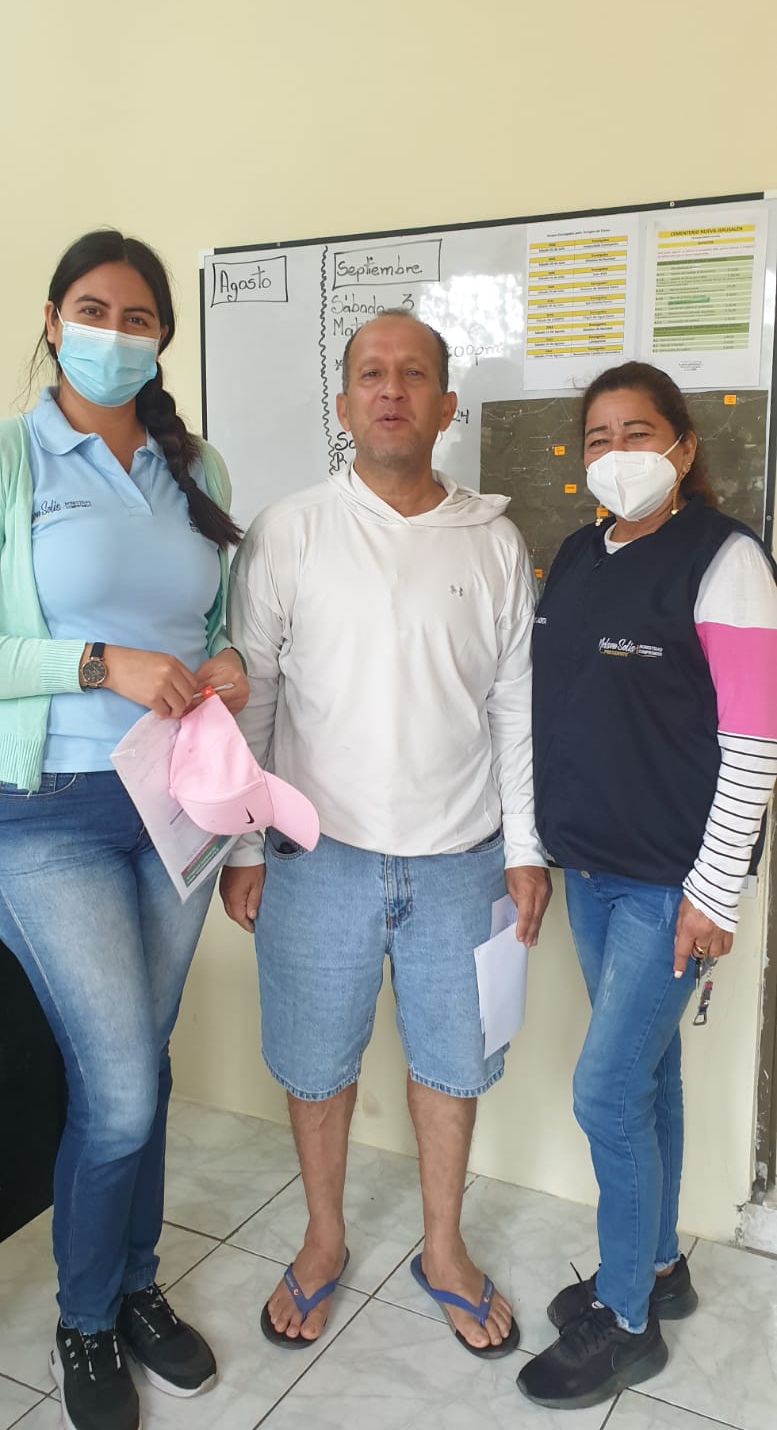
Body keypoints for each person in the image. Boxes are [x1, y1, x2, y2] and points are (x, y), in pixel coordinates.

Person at [221, 309, 551, 1357]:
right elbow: (255, 700)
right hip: (315, 857)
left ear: (448, 406)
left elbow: (515, 709)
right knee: (316, 1064)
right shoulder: (289, 531)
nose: (391, 389)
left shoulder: (493, 542)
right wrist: (242, 845)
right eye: (371, 373)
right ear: (343, 403)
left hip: (462, 860)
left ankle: (442, 1249)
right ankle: (323, 1238)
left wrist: (525, 849)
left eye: (413, 374)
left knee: (453, 1066)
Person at [0, 230, 249, 1430]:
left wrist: (228, 662)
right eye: (92, 309)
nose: (113, 331)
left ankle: (137, 1282)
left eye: (138, 316)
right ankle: (87, 1316)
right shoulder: (13, 457)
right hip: (48, 812)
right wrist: (98, 661)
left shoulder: (197, 465)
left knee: (143, 1065)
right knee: (116, 1089)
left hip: (177, 801)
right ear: (53, 321)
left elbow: (218, 623)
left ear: (161, 339)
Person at [517, 361, 777, 1410]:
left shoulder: (727, 561)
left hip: (671, 886)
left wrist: (714, 894)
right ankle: (660, 1266)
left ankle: (626, 1321)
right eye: (597, 436)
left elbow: (753, 741)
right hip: (592, 870)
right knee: (649, 1076)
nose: (615, 453)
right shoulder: (580, 554)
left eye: (637, 432)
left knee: (605, 1090)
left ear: (682, 446)